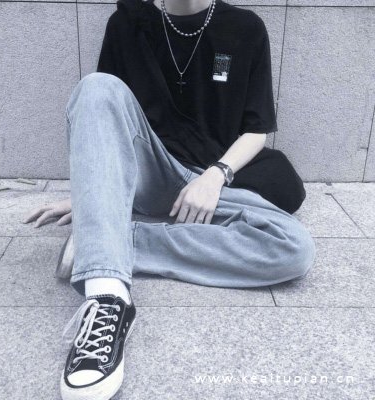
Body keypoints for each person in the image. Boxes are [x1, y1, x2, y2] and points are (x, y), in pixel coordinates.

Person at [23, 1, 316, 399]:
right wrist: (92, 192)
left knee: (294, 248)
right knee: (96, 87)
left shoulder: (245, 28)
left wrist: (215, 175)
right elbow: (105, 121)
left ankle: (104, 242)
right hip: (150, 171)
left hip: (211, 182)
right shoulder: (128, 23)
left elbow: (257, 130)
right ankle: (107, 295)